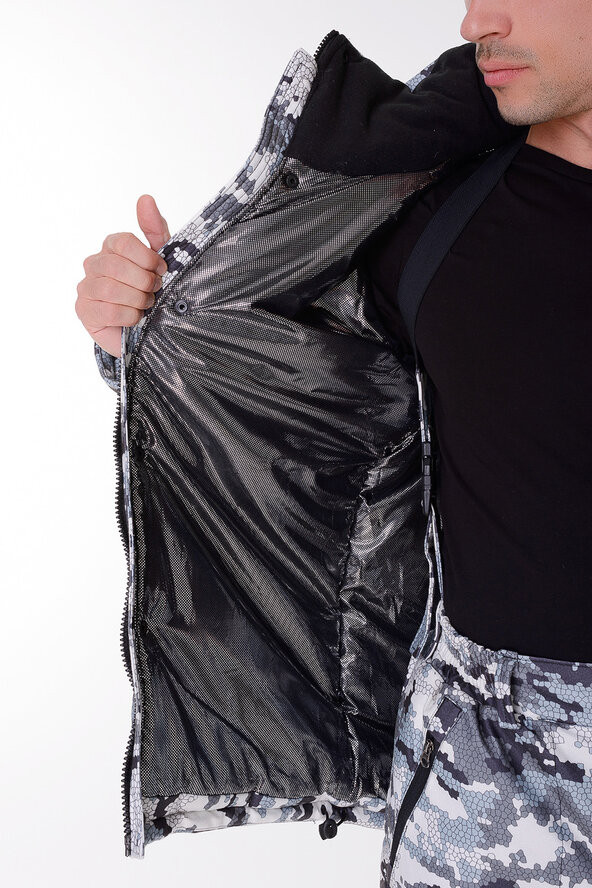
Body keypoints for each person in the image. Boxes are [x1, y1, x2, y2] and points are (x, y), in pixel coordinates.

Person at [75, 2, 592, 883]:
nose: (476, 20)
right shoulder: (434, 217)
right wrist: (142, 327)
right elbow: (261, 377)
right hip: (493, 787)